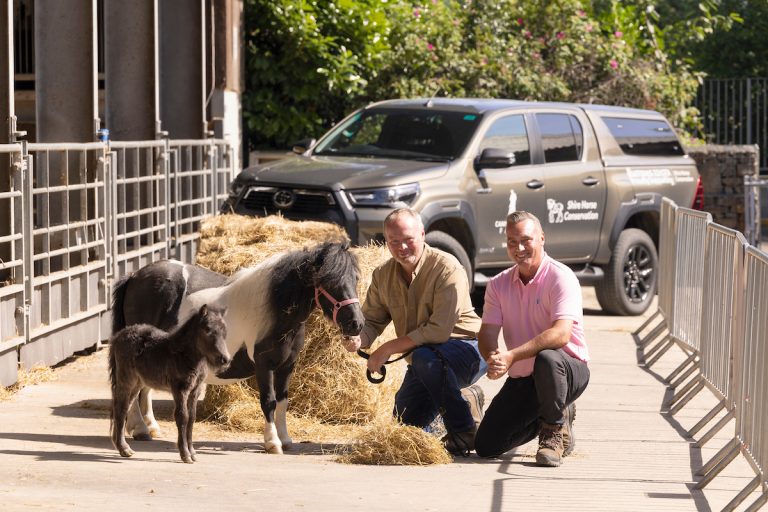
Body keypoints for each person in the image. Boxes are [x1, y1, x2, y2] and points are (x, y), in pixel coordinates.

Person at [342, 208, 487, 455]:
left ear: (422, 234)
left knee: (424, 356)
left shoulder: (447, 268)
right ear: (386, 242)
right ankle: (464, 401)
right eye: (394, 242)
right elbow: (373, 321)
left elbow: (438, 331)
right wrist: (359, 339)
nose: (402, 248)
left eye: (409, 240)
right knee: (406, 427)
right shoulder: (382, 274)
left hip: (468, 350)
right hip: (425, 362)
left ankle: (464, 431)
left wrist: (387, 348)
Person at [474, 211, 590, 467]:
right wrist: (493, 358)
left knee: (547, 359)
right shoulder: (497, 284)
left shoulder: (561, 276)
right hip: (524, 378)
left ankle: (552, 433)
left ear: (542, 238)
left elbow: (561, 334)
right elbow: (487, 333)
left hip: (568, 370)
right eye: (512, 241)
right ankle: (555, 412)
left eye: (526, 240)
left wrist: (512, 355)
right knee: (486, 446)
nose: (519, 248)